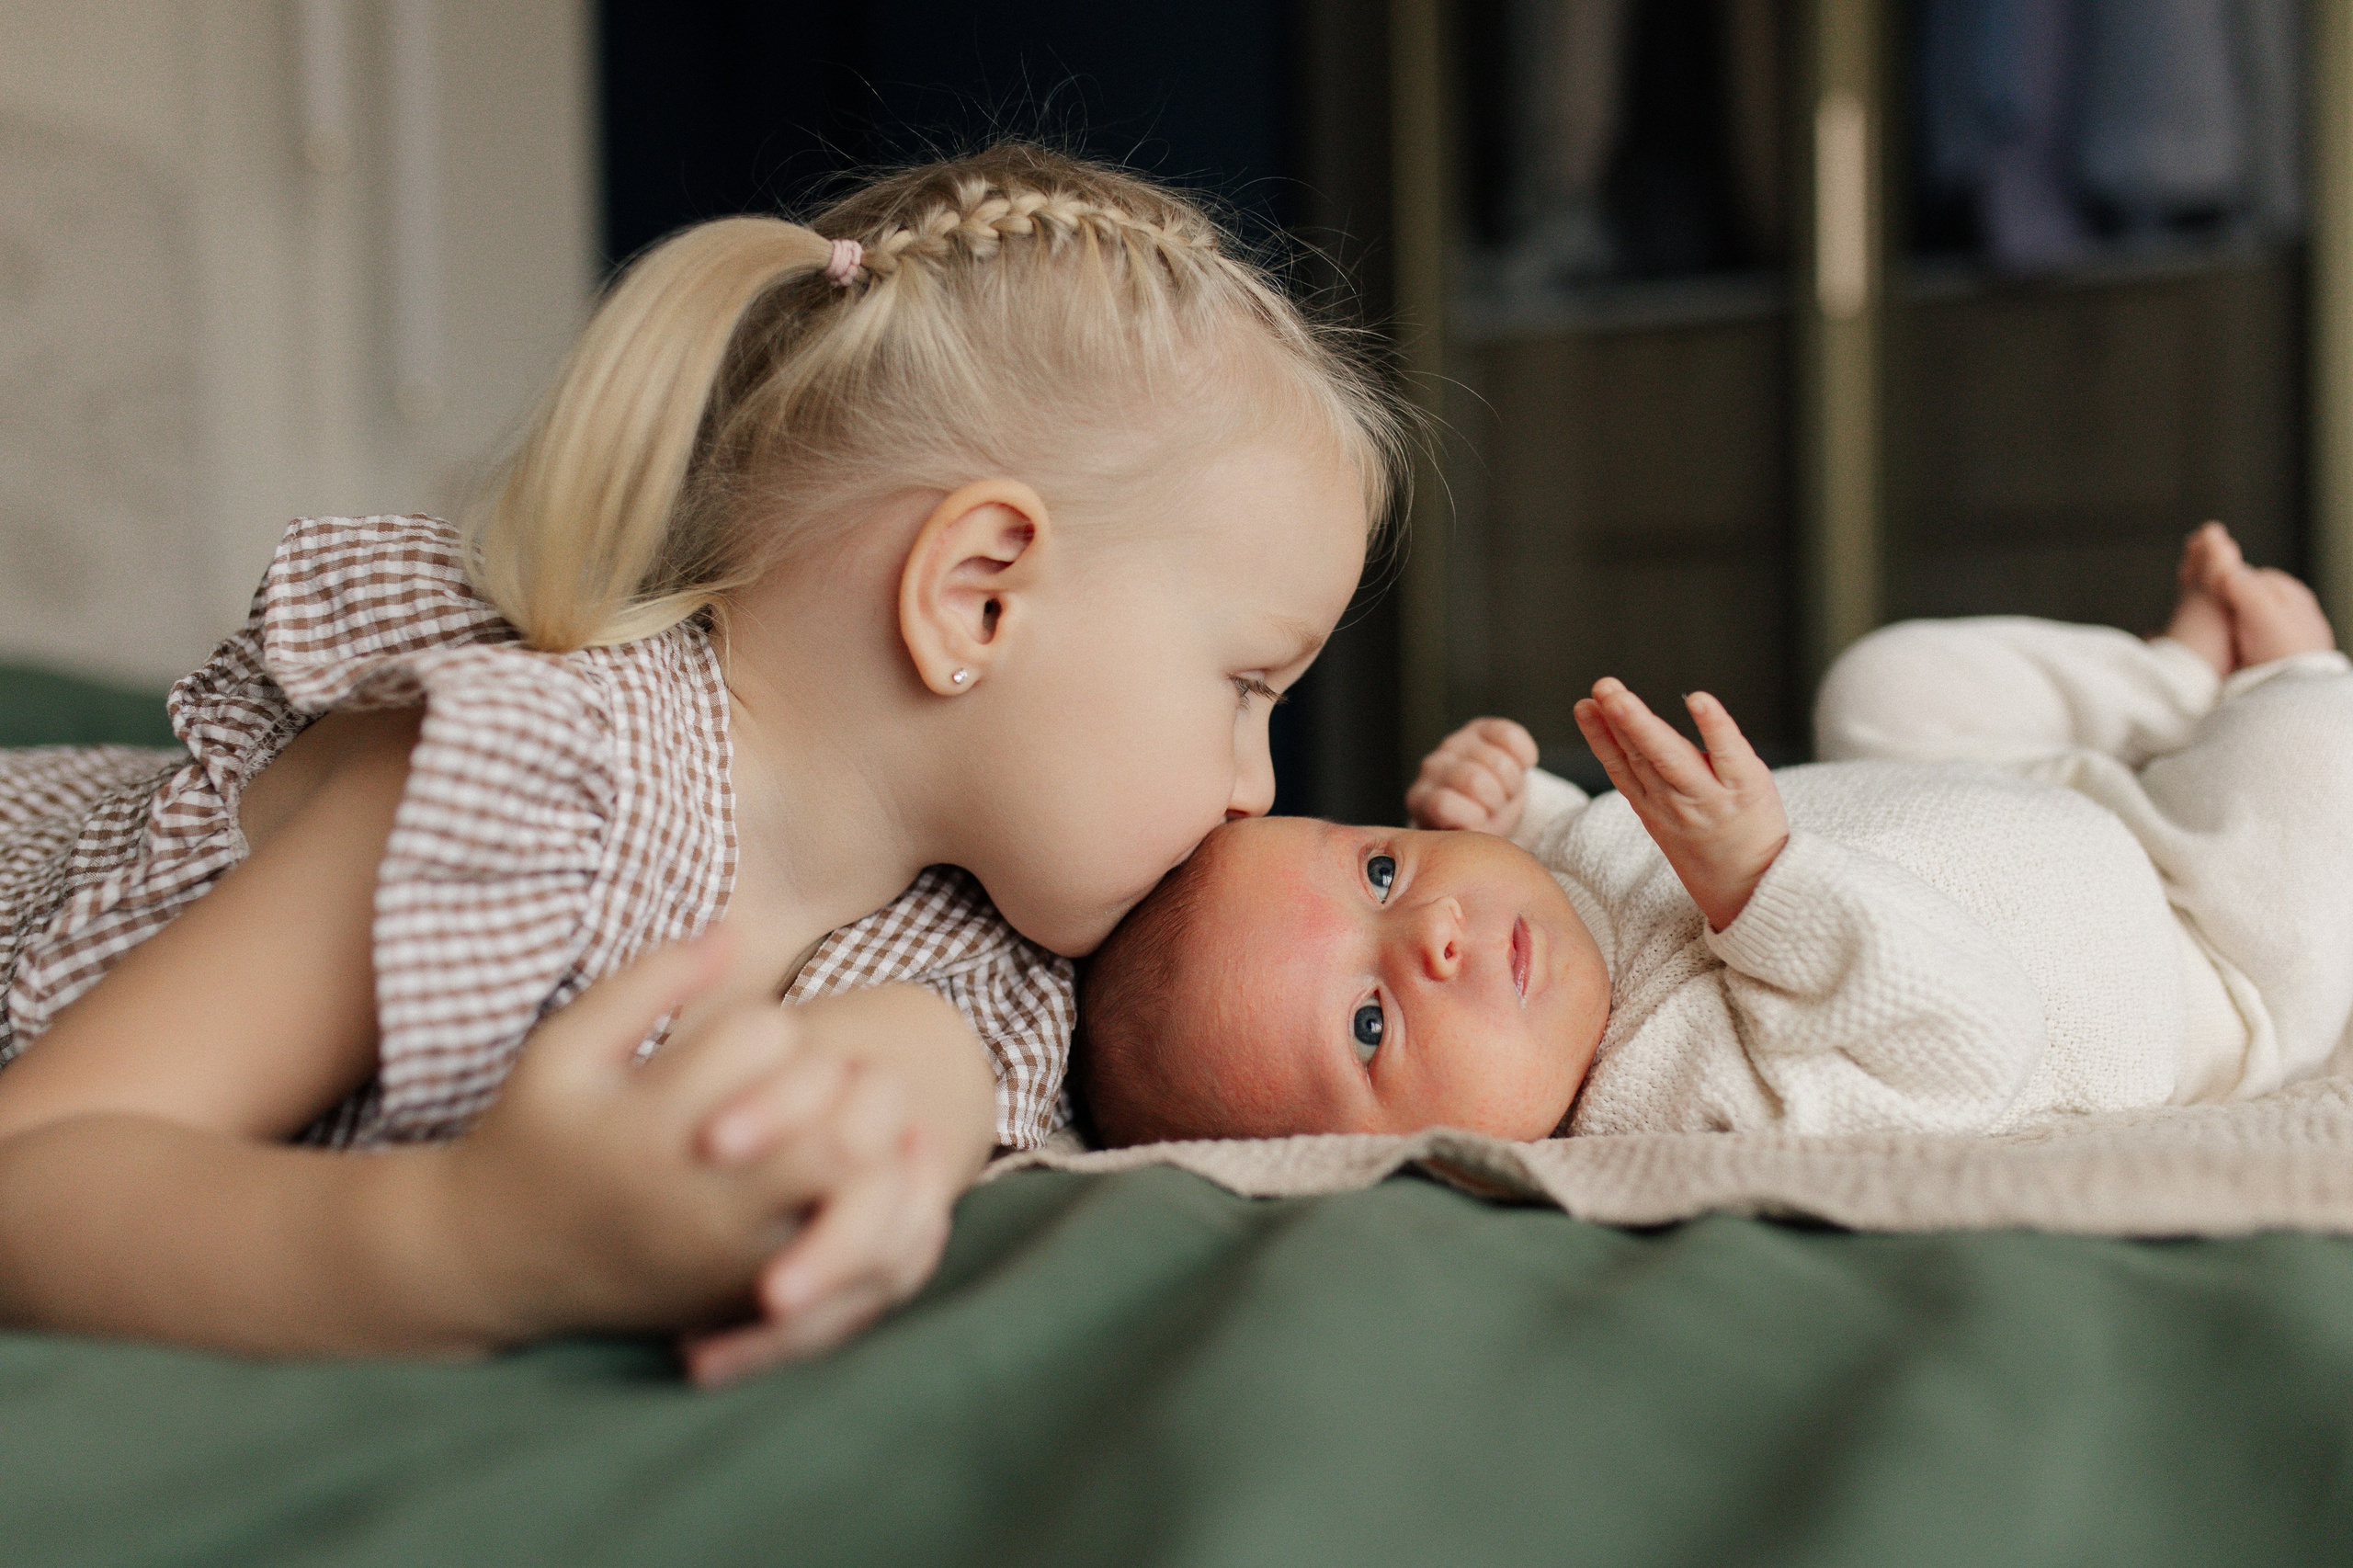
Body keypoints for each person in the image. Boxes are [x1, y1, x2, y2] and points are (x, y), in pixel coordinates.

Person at [0, 144, 1404, 1382]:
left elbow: (938, 1051)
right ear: (980, 592)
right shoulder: (541, 781)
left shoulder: (965, 926)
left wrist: (885, 1119)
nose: (1256, 785)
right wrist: (471, 1243)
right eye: (1247, 688)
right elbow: (34, 1173)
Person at [1076, 524, 2353, 1148]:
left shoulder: (1546, 938)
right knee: (2306, 771)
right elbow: (1975, 1049)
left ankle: (2162, 687)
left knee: (1882, 688)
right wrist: (1760, 878)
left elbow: (1603, 868)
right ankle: (2278, 683)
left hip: (2063, 799)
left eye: (1378, 870)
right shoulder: (1674, 1110)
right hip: (2204, 948)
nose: (1440, 932)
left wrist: (1520, 809)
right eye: (1368, 1020)